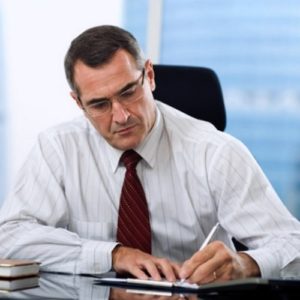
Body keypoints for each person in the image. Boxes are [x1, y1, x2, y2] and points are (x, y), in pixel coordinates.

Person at [0, 25, 299, 284]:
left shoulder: (216, 152)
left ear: (150, 76)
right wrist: (113, 254)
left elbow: (292, 244)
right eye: (100, 104)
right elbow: (10, 237)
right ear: (79, 103)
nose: (121, 116)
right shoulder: (58, 148)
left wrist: (246, 264)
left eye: (129, 92)